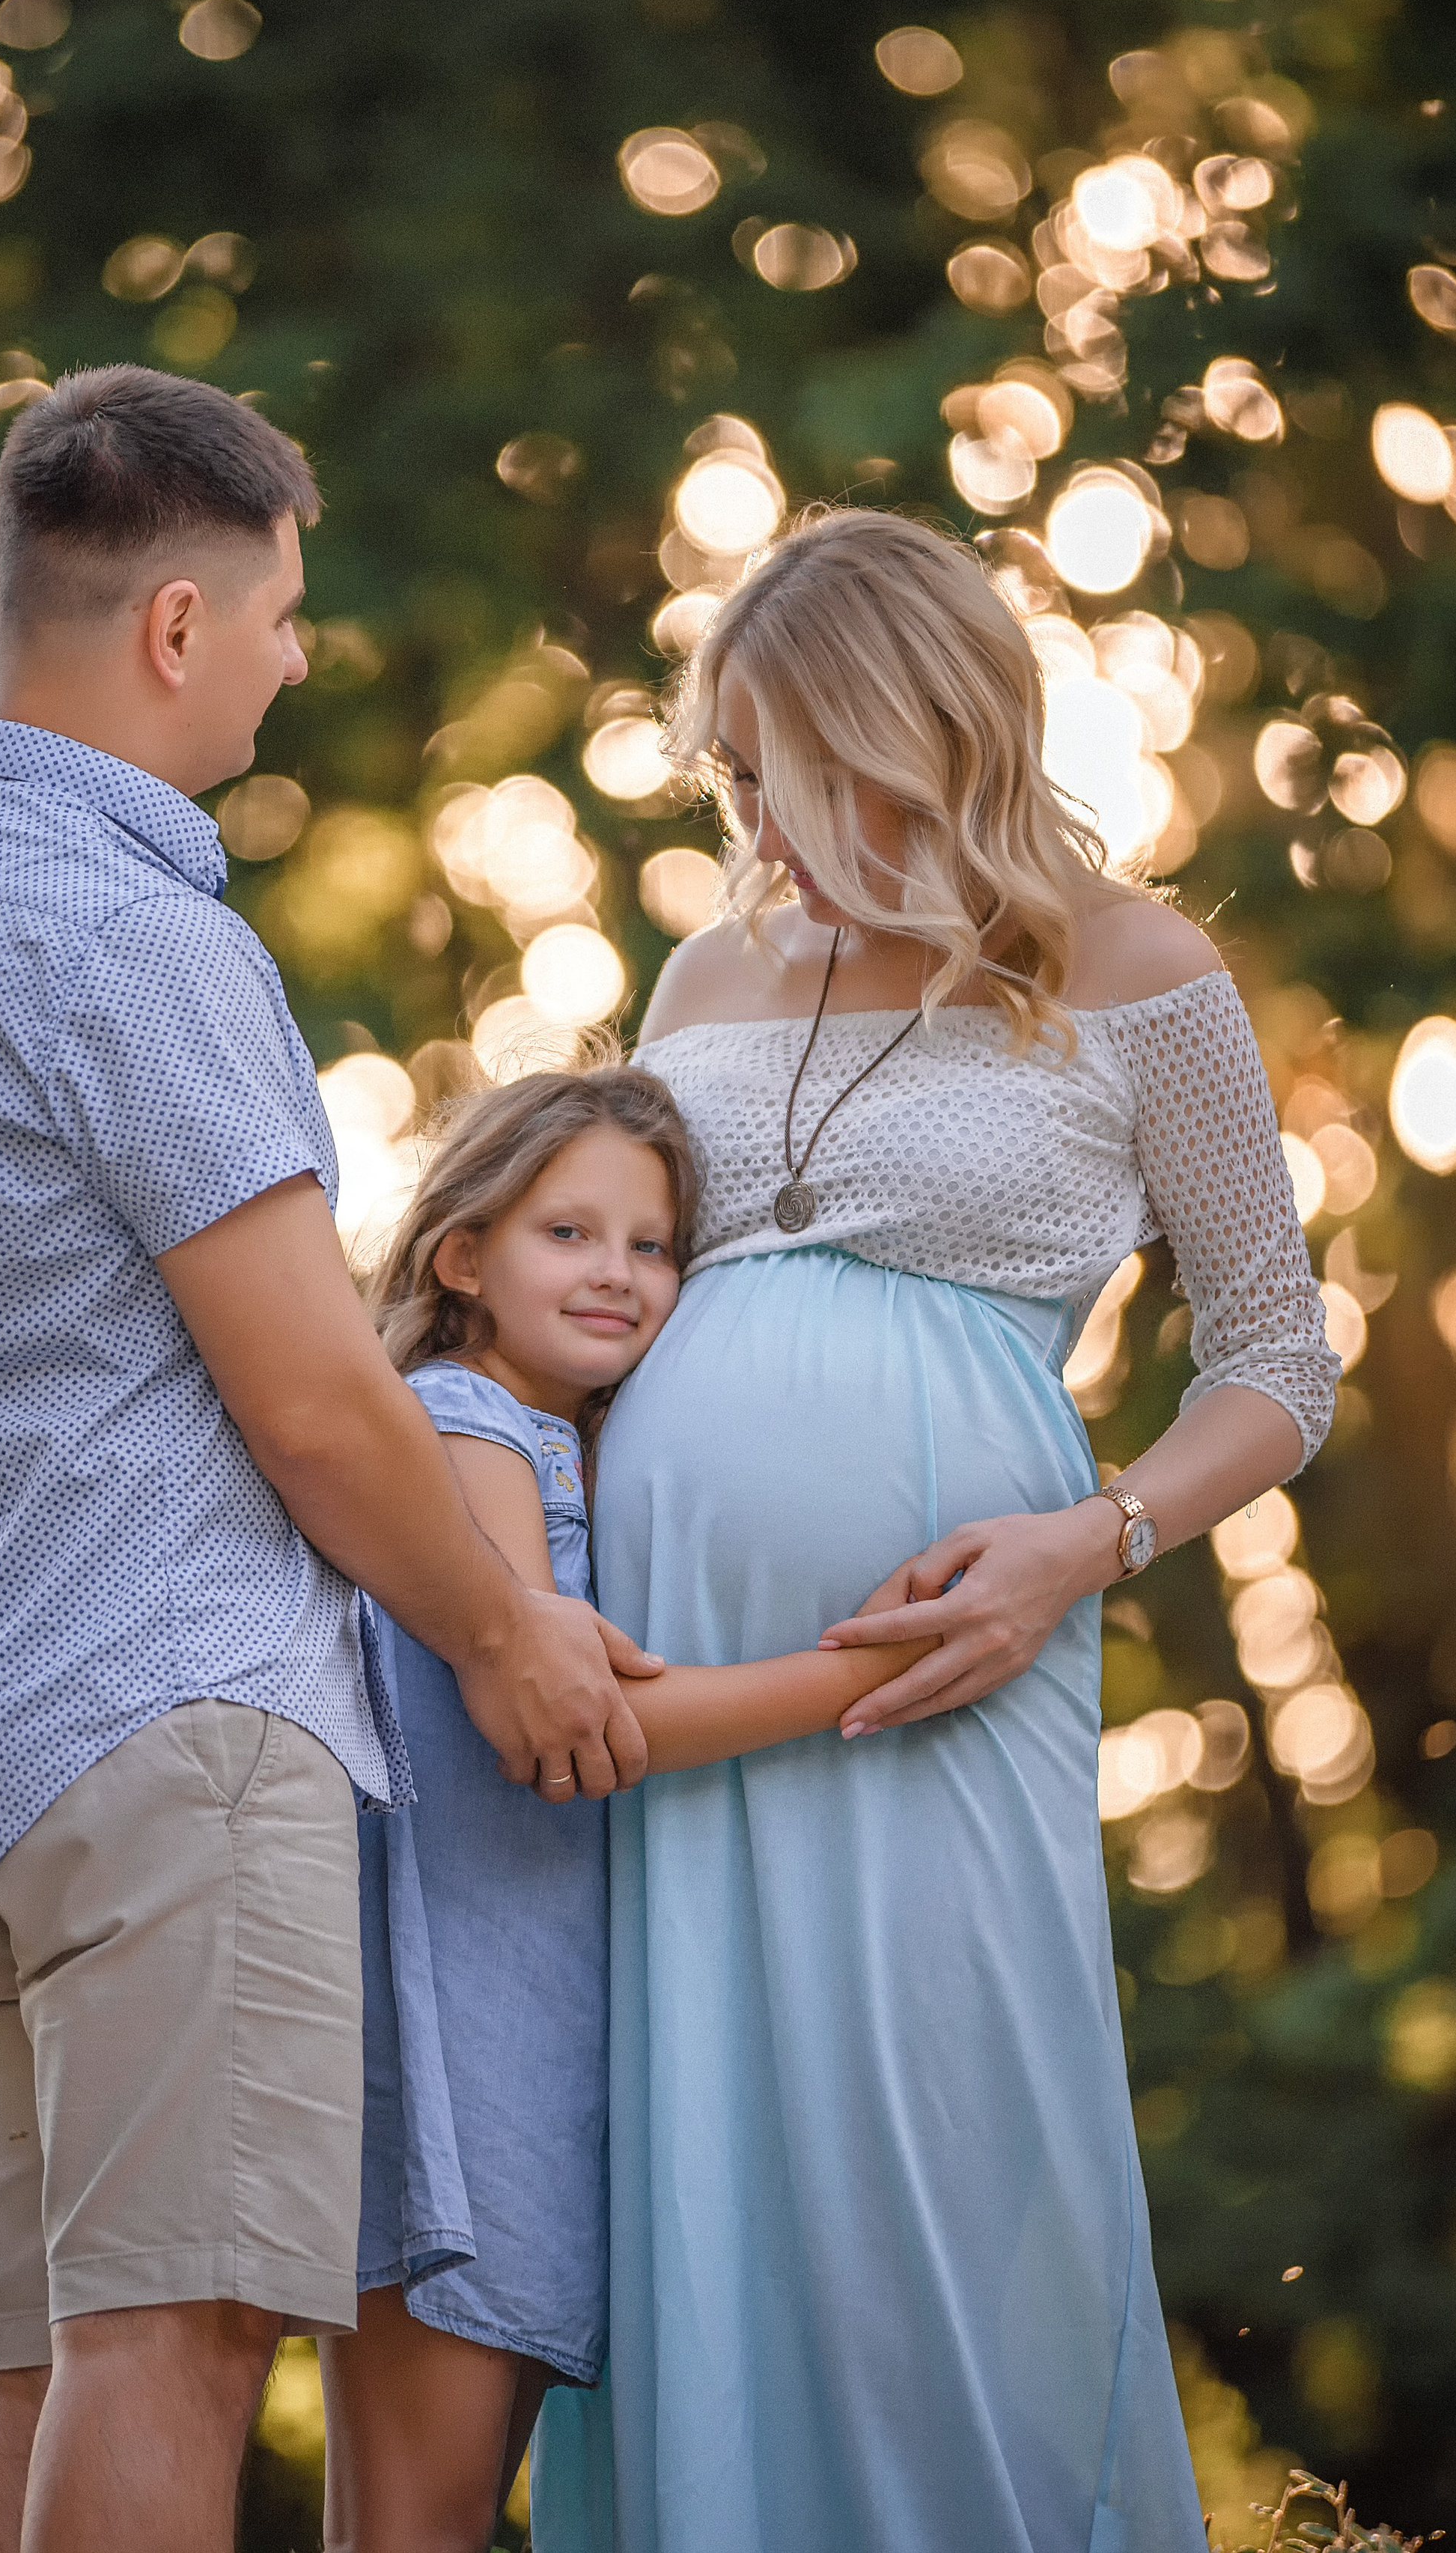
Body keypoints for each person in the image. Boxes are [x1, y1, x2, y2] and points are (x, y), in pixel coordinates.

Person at [0, 365, 659, 2553]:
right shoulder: (136, 931)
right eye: (278, 610)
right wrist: (508, 1633)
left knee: (42, 2362)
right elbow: (309, 1392)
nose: (293, 653)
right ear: (176, 621)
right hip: (173, 1730)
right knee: (175, 2341)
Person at [529, 508, 1340, 2552]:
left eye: (774, 776)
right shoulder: (710, 970)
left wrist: (1104, 1538)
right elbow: (606, 1274)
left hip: (954, 1674)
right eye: (727, 779)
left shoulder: (1141, 971)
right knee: (701, 2163)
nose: (752, 826)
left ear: (904, 738)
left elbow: (1276, 1359)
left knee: (946, 2176)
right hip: (678, 1696)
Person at [320, 1062, 932, 2553]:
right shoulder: (467, 1421)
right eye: (568, 1233)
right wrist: (866, 1666)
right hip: (459, 2041)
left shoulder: (557, 1439)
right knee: (421, 2519)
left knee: (433, 2514)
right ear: (462, 1257)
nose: (617, 1274)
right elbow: (581, 1734)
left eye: (650, 1245)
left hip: (523, 2030)